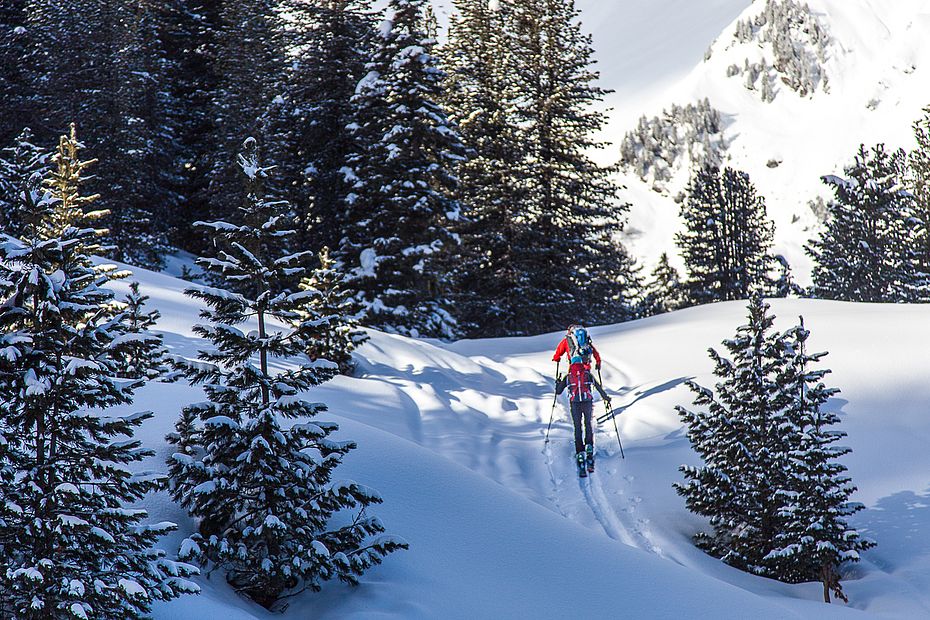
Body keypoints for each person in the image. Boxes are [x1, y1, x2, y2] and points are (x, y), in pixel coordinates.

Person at [552, 325, 611, 476]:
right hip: (587, 395)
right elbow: (598, 385)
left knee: (577, 427)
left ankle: (580, 452)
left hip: (574, 400)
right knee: (588, 424)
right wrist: (606, 398)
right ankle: (589, 447)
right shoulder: (586, 345)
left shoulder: (568, 342)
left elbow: (558, 391)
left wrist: (558, 379)